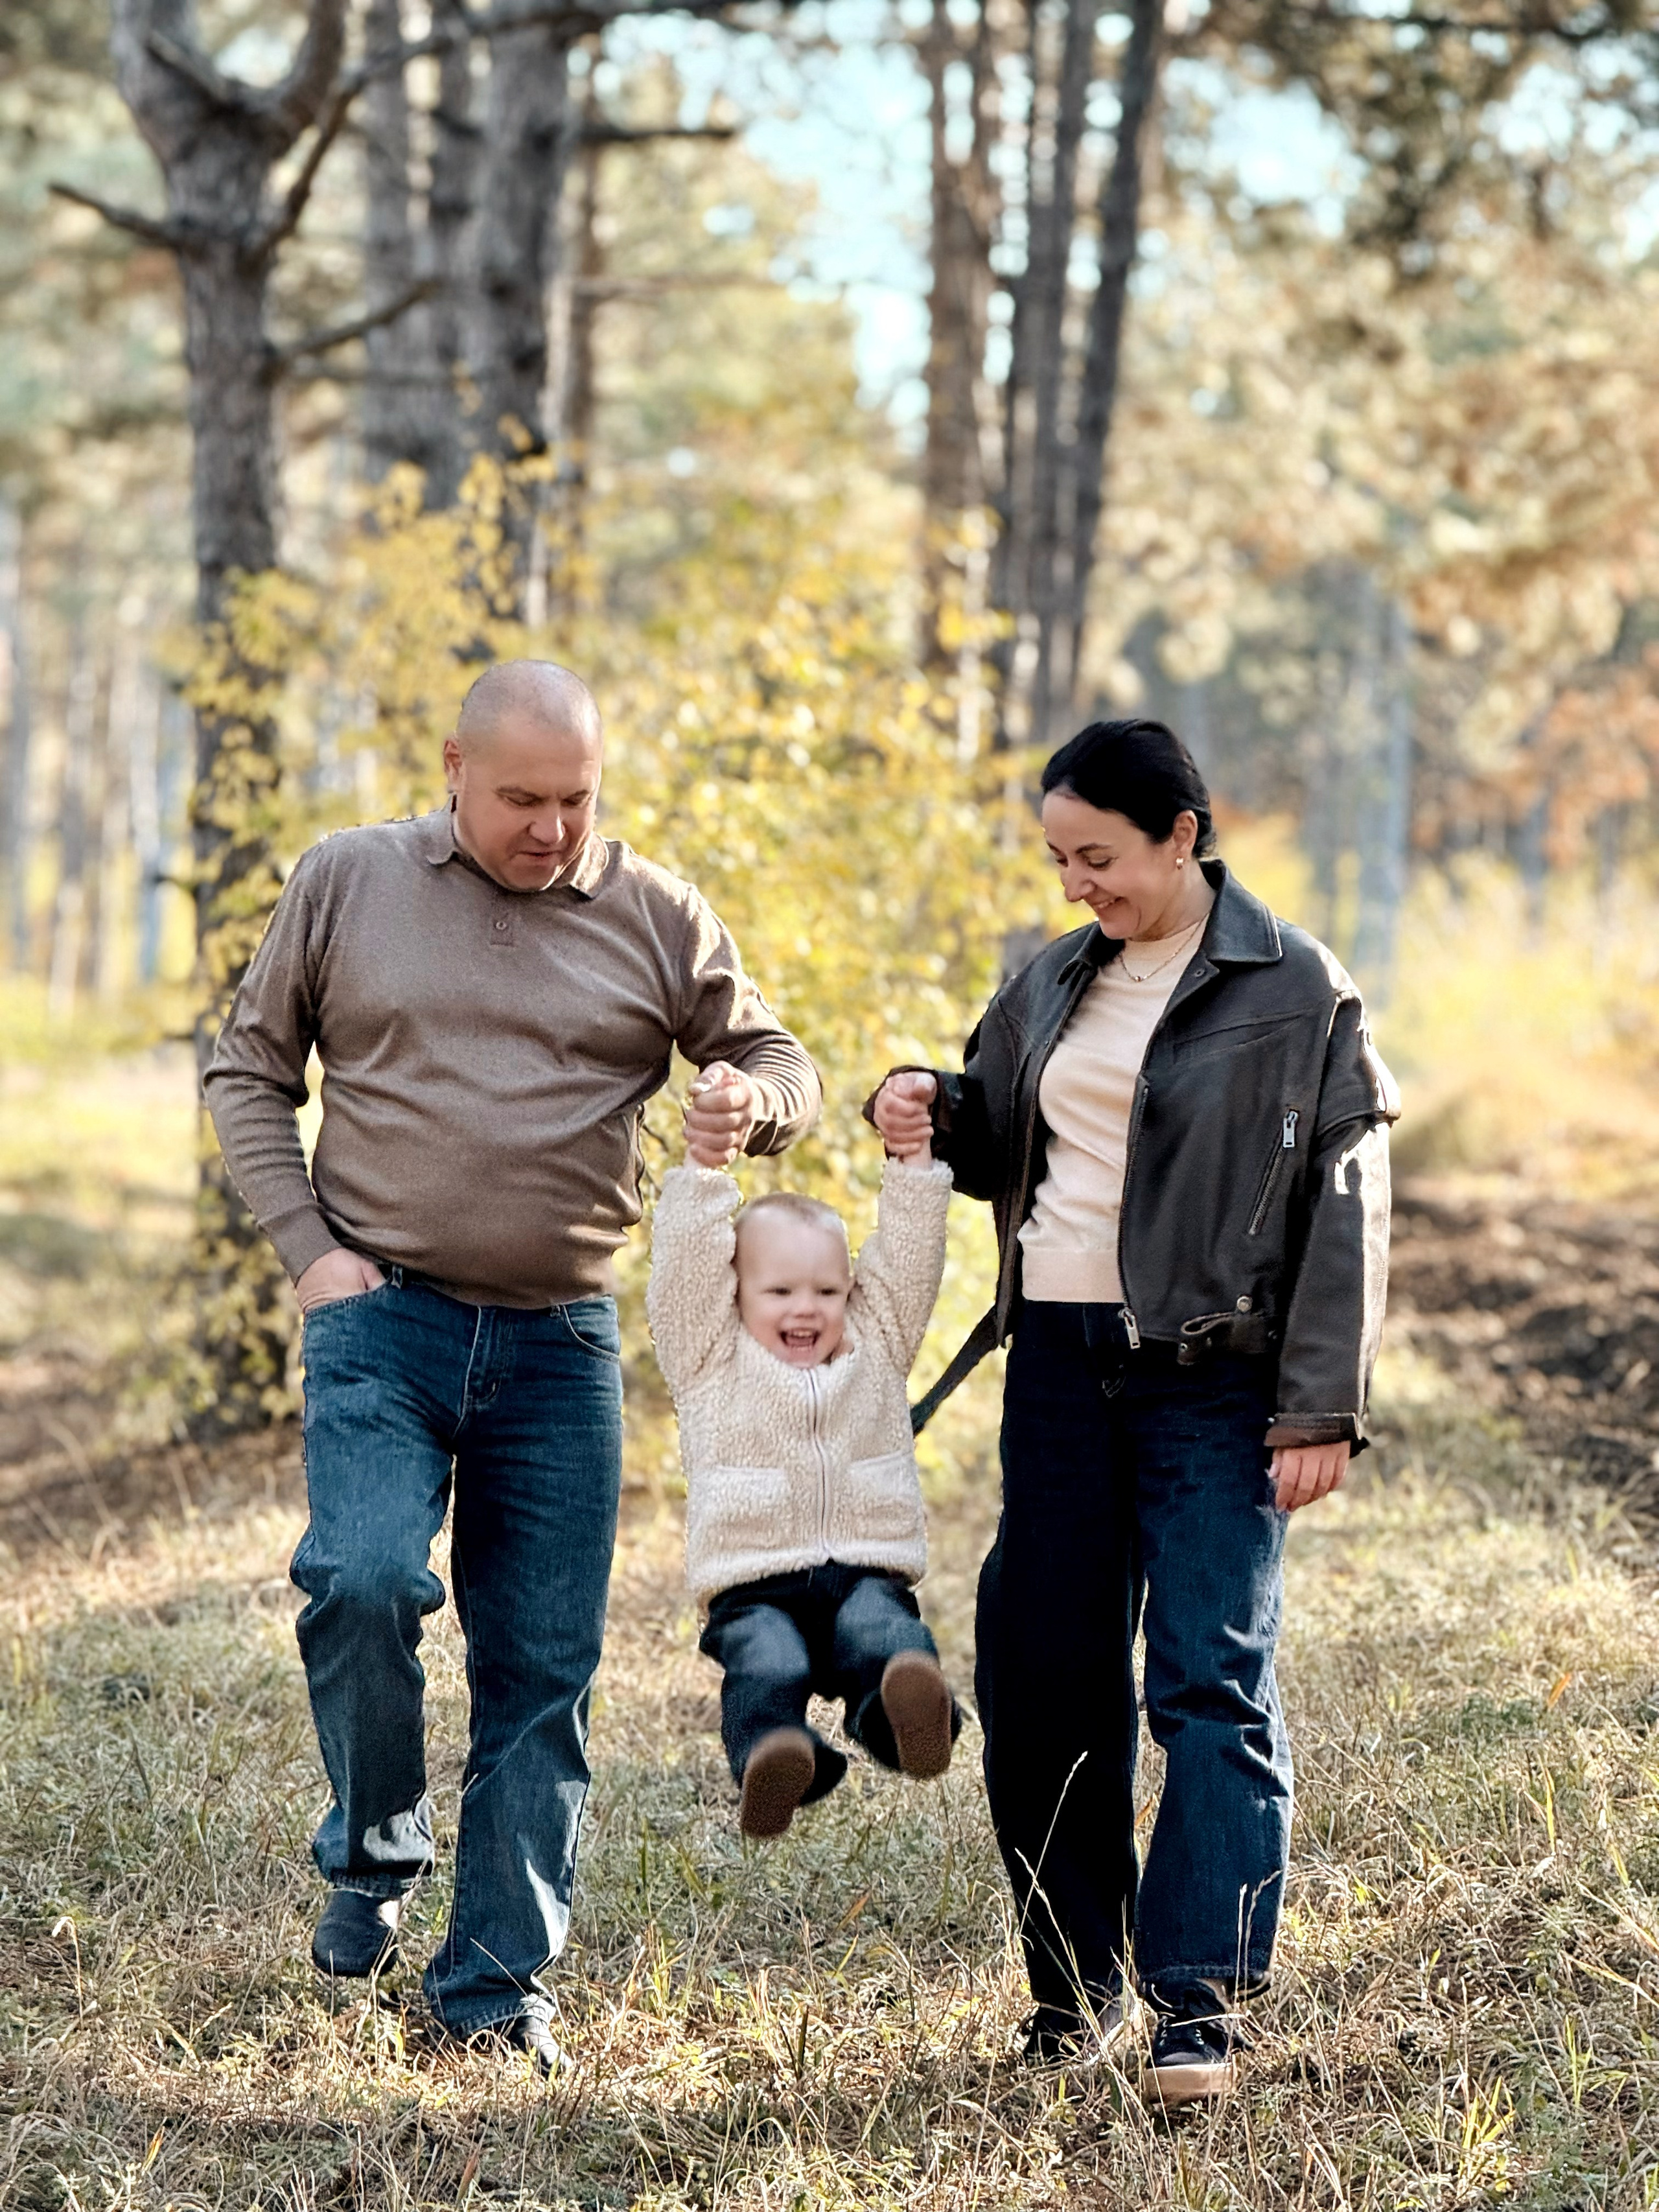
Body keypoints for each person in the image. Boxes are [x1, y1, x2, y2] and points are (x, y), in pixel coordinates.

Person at [204, 660, 819, 2066]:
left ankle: (489, 1988)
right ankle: (373, 1843)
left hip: (558, 1344)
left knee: (540, 1669)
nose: (553, 827)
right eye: (523, 797)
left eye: (577, 797)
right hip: (384, 1319)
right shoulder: (350, 881)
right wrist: (310, 1249)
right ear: (451, 768)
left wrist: (753, 1096)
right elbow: (248, 1068)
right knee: (359, 1582)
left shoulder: (653, 911)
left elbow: (777, 1053)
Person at [868, 717, 1398, 2107]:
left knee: (1207, 1678)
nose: (1072, 884)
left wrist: (1316, 1405)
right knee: (1041, 1676)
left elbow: (1343, 1200)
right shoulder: (1049, 975)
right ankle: (1073, 1985)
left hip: (1210, 1375)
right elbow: (1000, 1130)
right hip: (1053, 1361)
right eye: (1055, 856)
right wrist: (927, 1097)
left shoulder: (1294, 989)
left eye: (1095, 854)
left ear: (1182, 832)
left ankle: (1196, 2006)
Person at [646, 1071, 960, 1841]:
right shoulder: (708, 1357)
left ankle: (906, 1722)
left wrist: (911, 1156)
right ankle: (777, 1754)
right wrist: (705, 1167)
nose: (806, 1307)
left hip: (864, 1565)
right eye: (780, 1290)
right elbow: (684, 1270)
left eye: (827, 1288)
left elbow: (911, 1258)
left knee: (881, 1636)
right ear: (736, 1295)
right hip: (755, 1581)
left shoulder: (876, 1341)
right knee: (768, 1664)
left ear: (851, 1289)